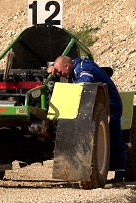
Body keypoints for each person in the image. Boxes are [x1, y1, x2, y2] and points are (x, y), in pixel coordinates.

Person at [48, 56, 126, 185]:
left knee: (114, 138)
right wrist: (52, 67)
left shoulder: (83, 69)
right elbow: (62, 61)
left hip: (111, 105)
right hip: (101, 103)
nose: (60, 75)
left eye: (60, 72)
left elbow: (84, 84)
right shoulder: (75, 63)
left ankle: (119, 176)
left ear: (67, 66)